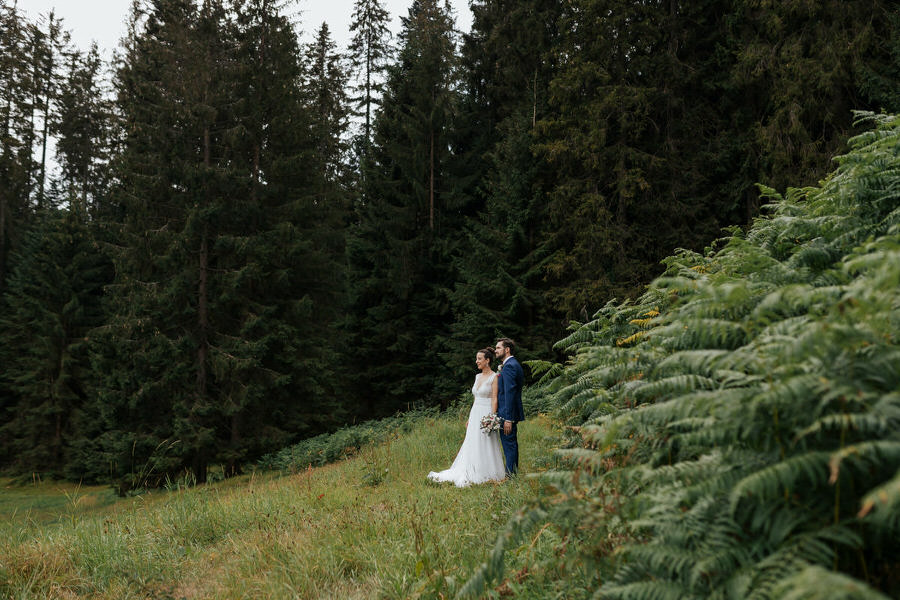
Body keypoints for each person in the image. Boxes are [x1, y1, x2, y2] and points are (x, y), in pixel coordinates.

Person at [427, 347, 506, 486]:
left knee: (485, 442)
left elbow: (494, 398)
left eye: (479, 359)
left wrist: (492, 418)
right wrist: (470, 418)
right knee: (472, 441)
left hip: (486, 413)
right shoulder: (477, 377)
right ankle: (470, 469)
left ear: (487, 360)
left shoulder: (495, 377)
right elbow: (475, 399)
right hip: (475, 412)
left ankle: (486, 471)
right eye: (476, 359)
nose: (476, 361)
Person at [495, 337, 525, 476]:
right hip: (507, 412)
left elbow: (510, 394)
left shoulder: (510, 366)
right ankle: (512, 472)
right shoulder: (512, 364)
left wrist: (508, 419)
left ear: (507, 350)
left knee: (509, 444)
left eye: (498, 348)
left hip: (507, 414)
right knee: (510, 443)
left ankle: (511, 475)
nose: (495, 351)